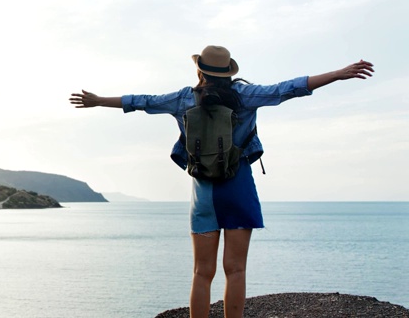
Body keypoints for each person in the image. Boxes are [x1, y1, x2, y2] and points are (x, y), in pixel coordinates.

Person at [69, 45, 374, 318]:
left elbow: (142, 101)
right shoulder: (245, 96)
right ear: (228, 73)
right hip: (239, 186)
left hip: (204, 193)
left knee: (202, 273)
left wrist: (98, 101)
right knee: (236, 269)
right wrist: (338, 74)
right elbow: (288, 88)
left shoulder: (183, 99)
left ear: (199, 70)